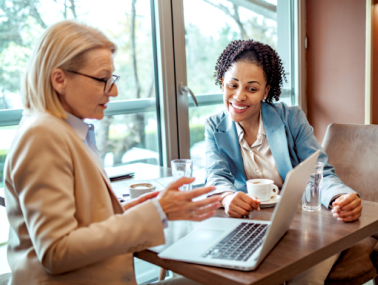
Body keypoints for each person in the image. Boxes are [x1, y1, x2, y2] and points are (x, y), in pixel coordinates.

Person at [4, 20, 219, 285]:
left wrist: (133, 209)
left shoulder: (65, 130)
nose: (114, 91)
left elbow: (80, 221)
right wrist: (156, 213)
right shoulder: (43, 136)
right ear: (59, 79)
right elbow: (57, 252)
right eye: (103, 80)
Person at [205, 39, 362, 284]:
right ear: (222, 83)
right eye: (232, 85)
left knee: (304, 279)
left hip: (306, 225)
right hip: (253, 230)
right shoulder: (215, 127)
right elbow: (216, 175)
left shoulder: (291, 118)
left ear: (266, 91)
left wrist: (338, 197)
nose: (239, 96)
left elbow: (320, 170)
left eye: (252, 88)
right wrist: (227, 198)